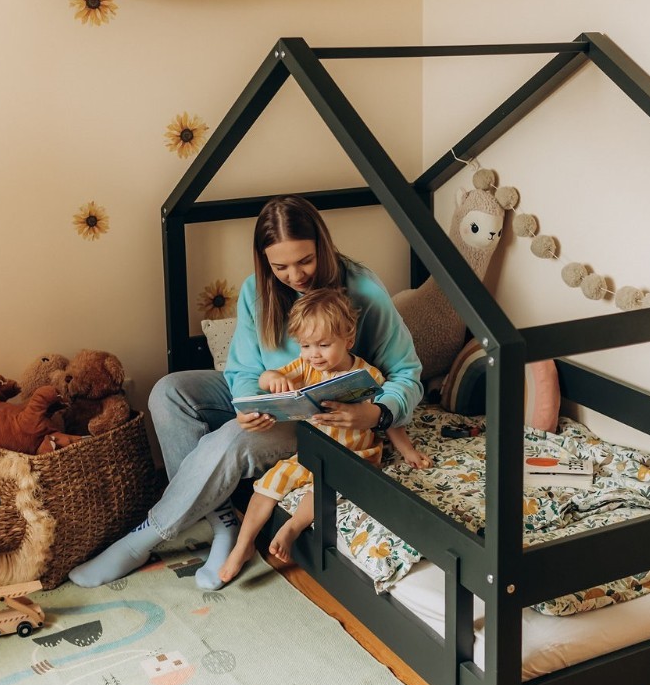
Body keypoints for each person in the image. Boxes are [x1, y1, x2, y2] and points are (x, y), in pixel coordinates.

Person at [69, 195, 424, 591]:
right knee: (168, 392)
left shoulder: (364, 290)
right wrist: (246, 404)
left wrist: (377, 414)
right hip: (274, 401)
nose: (295, 275)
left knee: (232, 438)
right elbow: (242, 369)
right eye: (280, 266)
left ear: (323, 246)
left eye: (305, 261)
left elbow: (407, 373)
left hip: (322, 419)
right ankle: (223, 522)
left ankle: (146, 536)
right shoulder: (258, 290)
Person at [218, 287, 430, 583]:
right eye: (305, 345)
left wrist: (407, 450)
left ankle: (292, 528)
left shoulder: (366, 376)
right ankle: (243, 545)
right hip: (311, 453)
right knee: (268, 485)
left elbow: (389, 418)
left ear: (348, 339)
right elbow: (264, 379)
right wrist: (273, 378)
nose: (313, 354)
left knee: (321, 491)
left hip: (353, 457)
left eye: (323, 345)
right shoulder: (305, 368)